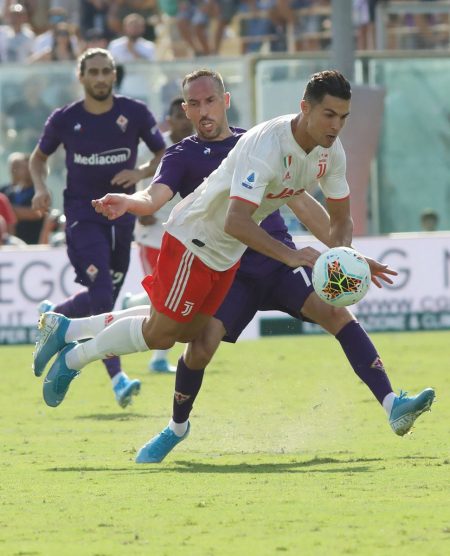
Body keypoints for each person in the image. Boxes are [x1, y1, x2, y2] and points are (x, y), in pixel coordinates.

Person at [34, 70, 435, 464]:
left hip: (257, 256)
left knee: (331, 314)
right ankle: (144, 404)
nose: (336, 125)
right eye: (329, 115)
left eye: (343, 117)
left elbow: (318, 211)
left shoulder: (321, 149)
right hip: (203, 247)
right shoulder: (241, 148)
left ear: (225, 102)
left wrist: (345, 258)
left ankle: (392, 403)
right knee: (175, 338)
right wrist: (131, 202)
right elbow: (202, 211)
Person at [29, 47, 166, 408]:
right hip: (82, 215)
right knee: (103, 291)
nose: (101, 77)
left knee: (105, 299)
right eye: (94, 72)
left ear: (114, 75)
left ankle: (55, 315)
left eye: (107, 71)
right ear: (81, 76)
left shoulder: (134, 112)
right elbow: (38, 159)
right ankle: (118, 379)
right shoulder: (65, 118)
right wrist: (41, 188)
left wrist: (139, 172)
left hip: (122, 215)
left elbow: (163, 153)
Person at [125, 96, 194, 373]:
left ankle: (133, 302)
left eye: (186, 114)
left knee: (177, 294)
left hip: (186, 233)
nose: (184, 120)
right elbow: (136, 179)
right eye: (178, 115)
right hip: (153, 232)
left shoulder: (201, 146)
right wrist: (139, 208)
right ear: (169, 120)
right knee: (166, 297)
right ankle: (158, 359)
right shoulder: (153, 150)